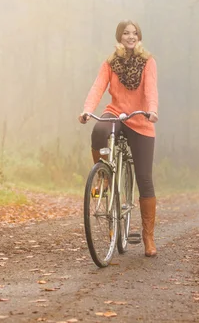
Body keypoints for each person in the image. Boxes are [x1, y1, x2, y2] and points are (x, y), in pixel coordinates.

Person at [79, 20, 159, 257]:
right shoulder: (110, 63)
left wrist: (152, 110)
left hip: (141, 118)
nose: (130, 37)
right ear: (119, 37)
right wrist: (86, 109)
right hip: (116, 113)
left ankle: (148, 236)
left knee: (144, 178)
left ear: (139, 37)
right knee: (99, 131)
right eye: (126, 33)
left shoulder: (148, 62)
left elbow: (151, 90)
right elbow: (97, 87)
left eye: (134, 33)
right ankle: (103, 176)